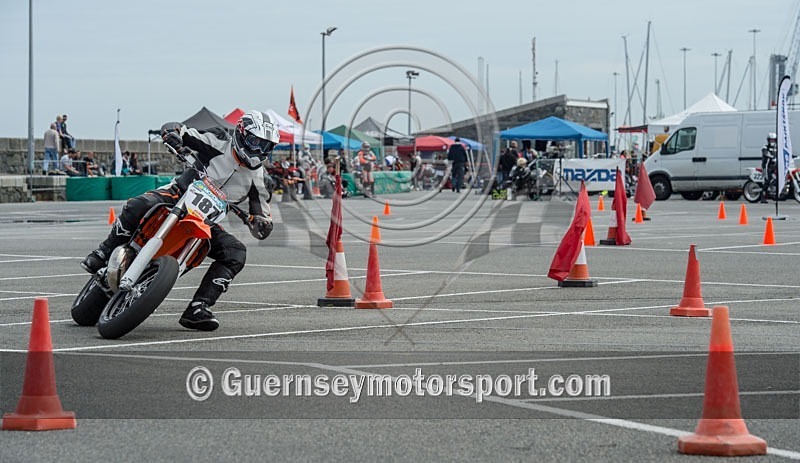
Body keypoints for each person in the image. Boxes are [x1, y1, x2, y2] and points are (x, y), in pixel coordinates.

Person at [80, 110, 279, 331]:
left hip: (206, 220)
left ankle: (198, 307)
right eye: (254, 142)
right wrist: (173, 135)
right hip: (178, 196)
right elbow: (177, 129)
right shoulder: (218, 140)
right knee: (138, 205)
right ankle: (104, 252)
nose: (259, 150)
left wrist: (261, 224)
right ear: (241, 134)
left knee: (236, 252)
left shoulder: (260, 179)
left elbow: (262, 217)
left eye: (266, 146)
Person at [761, 132, 778, 203]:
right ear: (768, 140)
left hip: (775, 166)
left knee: (778, 179)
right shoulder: (765, 147)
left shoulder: (777, 147)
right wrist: (771, 156)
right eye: (771, 140)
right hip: (767, 166)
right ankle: (762, 197)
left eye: (773, 140)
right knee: (767, 181)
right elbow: (765, 153)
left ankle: (775, 194)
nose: (772, 141)